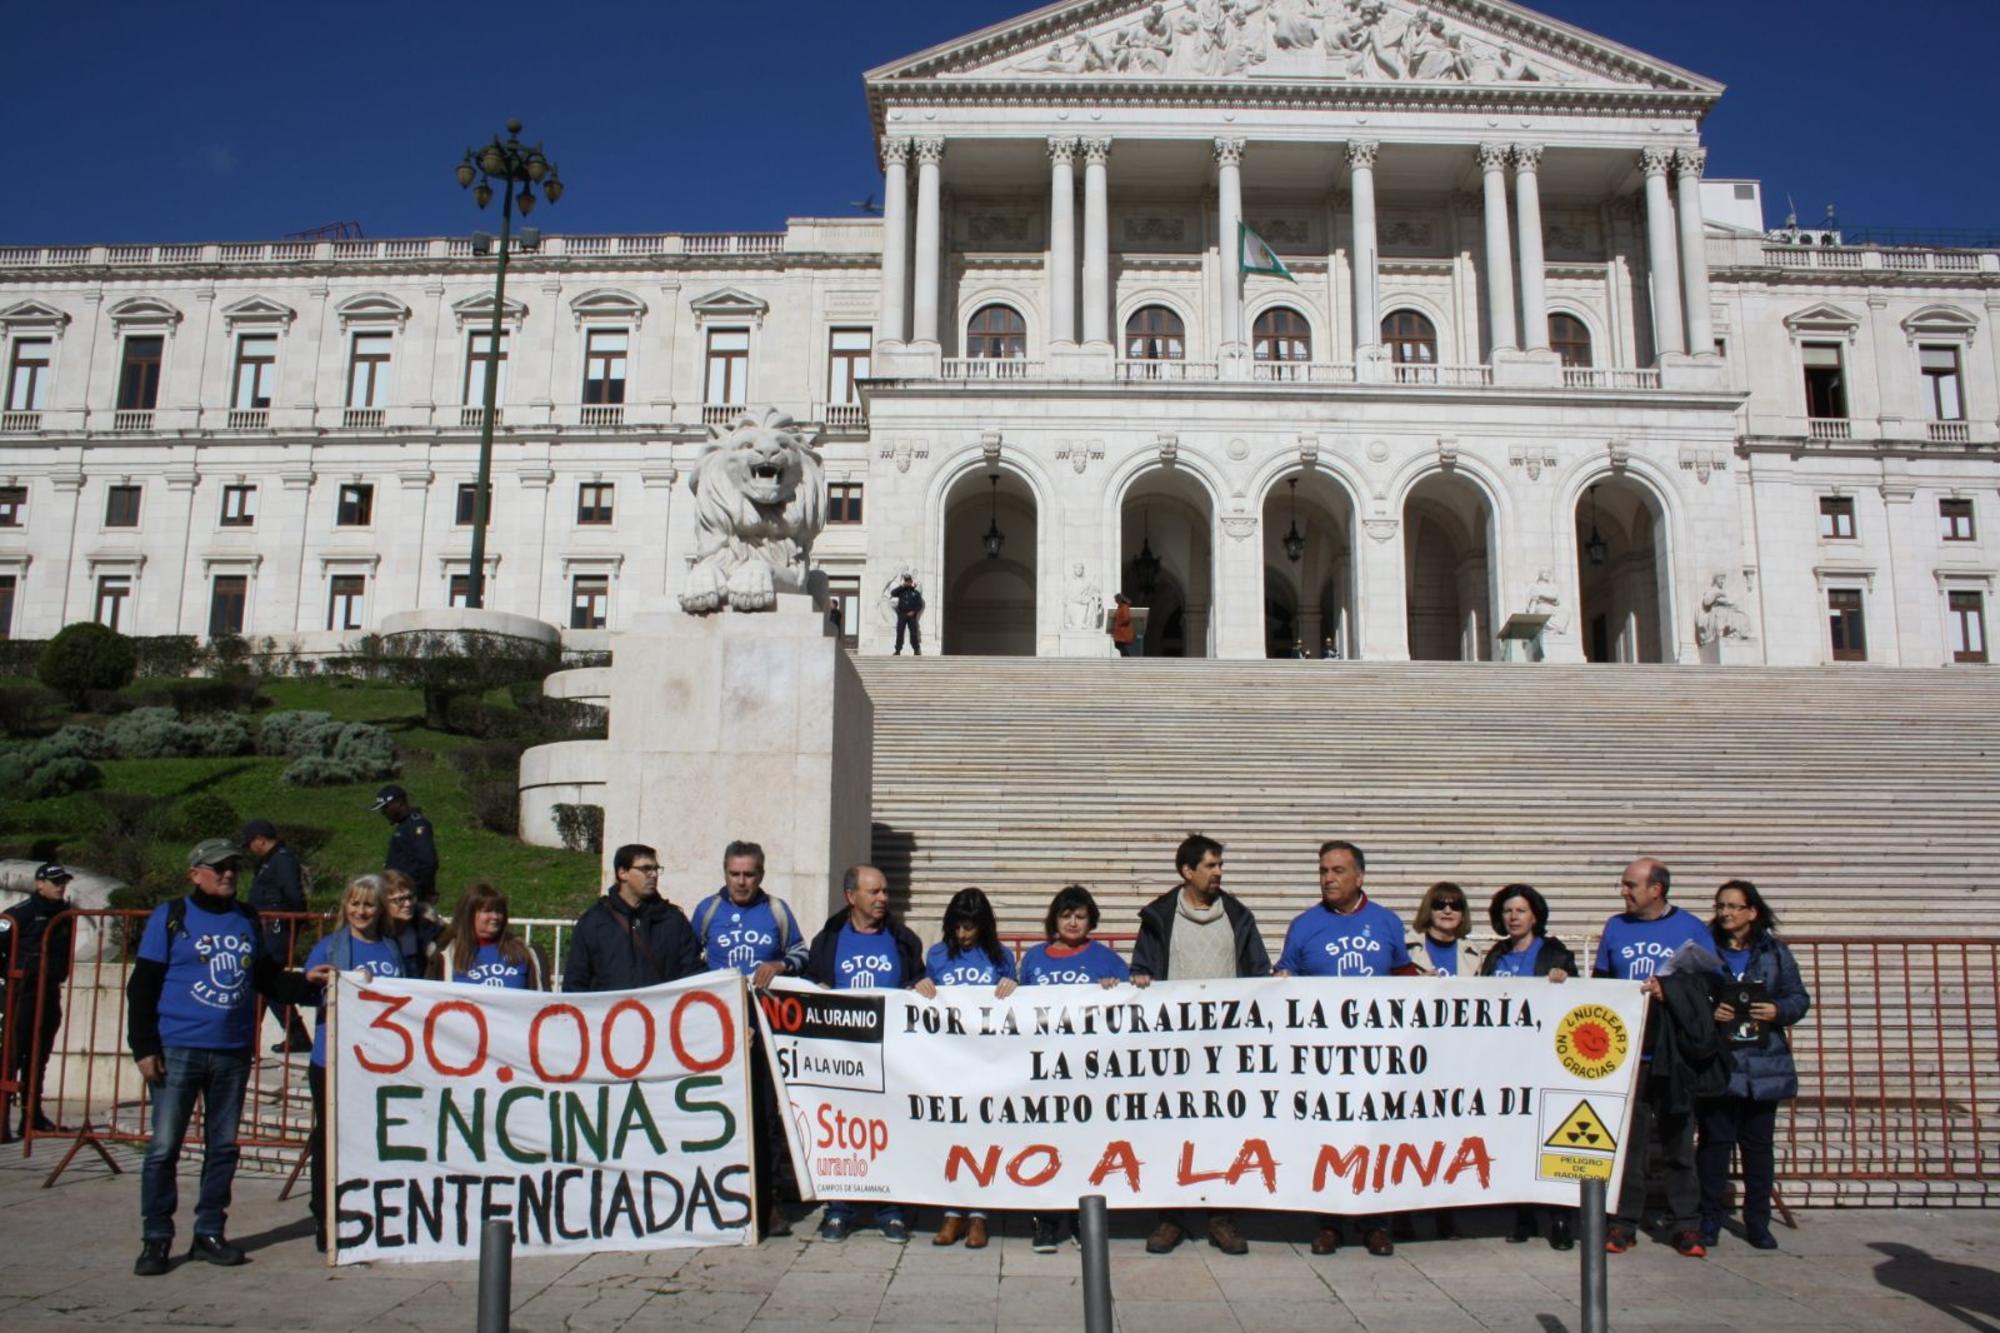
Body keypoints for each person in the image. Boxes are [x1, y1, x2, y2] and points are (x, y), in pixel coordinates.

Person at [126, 839, 315, 1277]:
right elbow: (143, 985)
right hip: (178, 1048)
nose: (228, 873)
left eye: (233, 866)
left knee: (224, 1148)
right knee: (164, 1147)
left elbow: (266, 978)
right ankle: (156, 1238)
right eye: (218, 867)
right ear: (195, 873)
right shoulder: (171, 916)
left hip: (232, 1050)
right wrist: (144, 1047)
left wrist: (312, 985)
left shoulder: (247, 917)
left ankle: (210, 1232)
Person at [1131, 833, 1270, 1257]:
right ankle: (1171, 1217)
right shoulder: (1158, 916)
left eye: (1220, 865)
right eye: (1210, 865)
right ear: (1187, 871)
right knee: (1170, 1129)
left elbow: (1258, 971)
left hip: (1226, 1046)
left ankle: (1221, 1217)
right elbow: (1141, 966)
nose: (1218, 872)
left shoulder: (1238, 916)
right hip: (1173, 1046)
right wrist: (1139, 979)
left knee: (1223, 1129)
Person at [1274, 839, 1415, 1257]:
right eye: (1323, 871)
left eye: (1337, 870)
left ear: (1359, 876)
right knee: (1328, 1136)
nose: (1328, 878)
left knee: (1375, 1134)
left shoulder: (1387, 922)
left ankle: (1376, 1223)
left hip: (1377, 1055)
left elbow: (1403, 974)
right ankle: (1329, 1222)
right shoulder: (1304, 924)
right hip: (1324, 1057)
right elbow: (1287, 975)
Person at [803, 864, 933, 1242]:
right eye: (874, 892)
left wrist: (920, 985)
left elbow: (916, 978)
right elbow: (811, 983)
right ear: (851, 897)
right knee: (840, 1135)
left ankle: (890, 1209)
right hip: (840, 1058)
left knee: (889, 1131)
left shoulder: (902, 938)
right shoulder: (827, 939)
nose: (883, 899)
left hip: (889, 1058)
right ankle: (839, 1208)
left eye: (885, 892)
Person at [1593, 856, 1715, 1258]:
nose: (1623, 891)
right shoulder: (1616, 927)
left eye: (1630, 885)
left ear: (1655, 889)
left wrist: (1671, 991)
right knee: (1630, 1146)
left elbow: (1709, 983)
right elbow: (1603, 983)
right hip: (1631, 1053)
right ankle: (1623, 1223)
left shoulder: (1691, 927)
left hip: (1673, 1053)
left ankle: (1686, 1226)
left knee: (1680, 1142)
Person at [690, 840, 809, 1237]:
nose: (742, 882)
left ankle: (770, 1203)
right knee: (718, 1113)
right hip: (721, 1030)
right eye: (735, 874)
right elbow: (690, 961)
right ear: (724, 873)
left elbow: (801, 954)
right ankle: (719, 1198)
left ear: (761, 874)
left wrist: (779, 964)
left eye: (749, 874)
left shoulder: (775, 911)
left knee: (767, 1117)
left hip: (766, 1029)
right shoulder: (707, 912)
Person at [1697, 879, 1809, 1251]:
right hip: (1721, 1063)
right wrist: (1710, 1010)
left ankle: (1757, 1221)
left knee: (1758, 1148)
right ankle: (1709, 1219)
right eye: (1720, 906)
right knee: (1714, 1145)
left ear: (1752, 911)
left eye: (1733, 906)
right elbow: (1688, 996)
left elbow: (1798, 998)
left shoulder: (1774, 953)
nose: (1725, 913)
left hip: (1763, 1064)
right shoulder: (1703, 951)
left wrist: (1778, 1010)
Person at [1019, 884, 1129, 1252]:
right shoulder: (1034, 958)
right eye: (1066, 915)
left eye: (1080, 916)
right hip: (1045, 1069)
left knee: (1086, 1146)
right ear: (1055, 918)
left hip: (1089, 1070)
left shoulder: (1107, 960)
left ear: (1090, 920)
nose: (1072, 922)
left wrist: (1114, 989)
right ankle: (1046, 1221)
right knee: (1045, 1145)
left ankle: (1085, 1218)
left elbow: (1130, 1006)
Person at [300, 875, 404, 1250]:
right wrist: (311, 981)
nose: (361, 911)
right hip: (332, 1060)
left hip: (378, 1063)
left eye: (369, 904)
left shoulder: (391, 950)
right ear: (346, 906)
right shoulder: (329, 949)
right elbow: (307, 988)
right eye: (355, 903)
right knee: (329, 1138)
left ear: (380, 910)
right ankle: (325, 1215)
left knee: (372, 1139)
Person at [1478, 883, 1577, 1251]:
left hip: (1543, 1059)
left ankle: (1560, 1217)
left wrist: (1563, 982)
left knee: (1547, 1139)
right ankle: (1522, 1215)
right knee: (1514, 1141)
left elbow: (1577, 996)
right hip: (1505, 1061)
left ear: (1535, 914)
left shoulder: (1553, 952)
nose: (1513, 917)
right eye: (1507, 911)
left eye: (1520, 910)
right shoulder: (1496, 955)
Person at [925, 887, 1018, 1249]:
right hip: (948, 1060)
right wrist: (919, 985)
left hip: (987, 1060)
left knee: (983, 1137)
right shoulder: (936, 955)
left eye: (970, 928)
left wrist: (1014, 986)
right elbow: (919, 995)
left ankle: (979, 1215)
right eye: (958, 927)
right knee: (951, 1136)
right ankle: (951, 1212)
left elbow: (1019, 1009)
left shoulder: (1000, 957)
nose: (963, 935)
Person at [564, 844, 704, 993]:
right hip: (610, 1014)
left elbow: (693, 974)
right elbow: (575, 982)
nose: (653, 875)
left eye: (656, 869)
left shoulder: (673, 920)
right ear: (622, 873)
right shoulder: (593, 922)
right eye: (645, 869)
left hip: (660, 1014)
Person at [2, 863, 76, 1137]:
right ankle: (2, 1118)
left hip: (49, 991)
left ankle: (32, 1117)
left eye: (64, 882)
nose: (61, 886)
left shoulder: (64, 916)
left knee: (39, 1056)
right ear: (39, 884)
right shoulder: (18, 914)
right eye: (56, 881)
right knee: (11, 1054)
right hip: (21, 994)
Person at [242, 820, 312, 1054]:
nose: (250, 849)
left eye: (250, 843)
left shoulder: (281, 859)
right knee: (261, 982)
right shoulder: (271, 860)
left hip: (276, 928)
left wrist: (296, 921)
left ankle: (295, 1033)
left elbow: (292, 893)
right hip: (269, 927)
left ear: (260, 839)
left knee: (268, 981)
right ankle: (253, 1039)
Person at [443, 883, 545, 989]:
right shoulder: (446, 954)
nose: (495, 917)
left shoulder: (525, 952)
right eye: (487, 911)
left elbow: (543, 997)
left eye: (499, 911)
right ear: (469, 914)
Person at [371, 785, 439, 906]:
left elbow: (428, 862)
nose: (383, 812)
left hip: (410, 895)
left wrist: (423, 891)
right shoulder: (404, 826)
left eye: (385, 807)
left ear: (398, 803)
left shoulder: (416, 825)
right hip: (399, 893)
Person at [1409, 881, 1480, 978]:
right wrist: (1417, 984)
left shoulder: (1474, 953)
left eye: (1455, 906)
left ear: (1463, 914)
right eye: (1439, 905)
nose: (1447, 911)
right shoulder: (1406, 948)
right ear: (1428, 910)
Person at [381, 871, 442, 980]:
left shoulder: (424, 927)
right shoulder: (374, 933)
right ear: (382, 903)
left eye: (410, 897)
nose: (408, 904)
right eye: (399, 900)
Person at [891, 574, 925, 656]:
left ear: (911, 581)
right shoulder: (901, 591)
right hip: (902, 614)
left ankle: (916, 650)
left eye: (909, 581)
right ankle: (898, 650)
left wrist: (914, 611)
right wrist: (902, 586)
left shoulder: (915, 593)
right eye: (906, 581)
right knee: (900, 633)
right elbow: (893, 593)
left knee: (913, 633)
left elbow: (919, 605)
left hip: (911, 616)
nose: (907, 582)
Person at [1111, 592, 1137, 657]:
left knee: (1120, 645)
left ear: (1119, 599)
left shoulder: (1124, 607)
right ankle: (1125, 657)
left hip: (1122, 632)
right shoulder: (1120, 607)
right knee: (1118, 645)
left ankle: (1127, 658)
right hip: (1119, 632)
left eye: (1115, 600)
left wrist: (1118, 623)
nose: (1115, 601)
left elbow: (1126, 618)